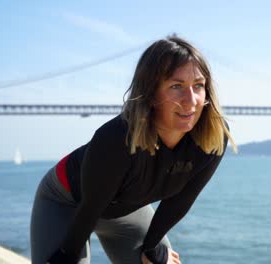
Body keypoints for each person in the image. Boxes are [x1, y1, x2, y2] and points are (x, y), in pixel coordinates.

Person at [30, 35, 236, 264]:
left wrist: (152, 248)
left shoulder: (213, 135)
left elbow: (180, 202)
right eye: (176, 86)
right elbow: (91, 207)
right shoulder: (116, 137)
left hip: (124, 210)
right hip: (68, 202)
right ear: (150, 92)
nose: (191, 100)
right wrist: (65, 256)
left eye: (198, 86)